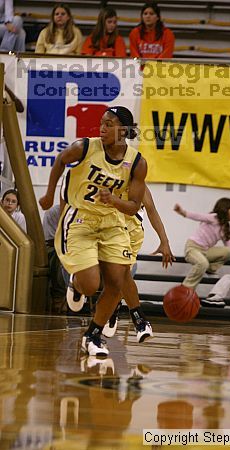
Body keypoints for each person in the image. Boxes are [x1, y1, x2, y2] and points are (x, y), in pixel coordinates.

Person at [39, 106, 149, 358]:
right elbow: (60, 161)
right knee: (91, 285)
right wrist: (48, 193)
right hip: (80, 219)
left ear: (123, 130)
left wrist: (113, 201)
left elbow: (133, 207)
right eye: (101, 123)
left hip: (111, 221)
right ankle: (77, 285)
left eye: (109, 124)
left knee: (118, 281)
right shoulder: (84, 147)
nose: (102, 128)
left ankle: (93, 335)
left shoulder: (137, 163)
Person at [101, 184, 175, 339]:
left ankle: (131, 315)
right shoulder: (105, 174)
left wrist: (164, 241)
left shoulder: (138, 183)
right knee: (110, 273)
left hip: (132, 232)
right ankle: (117, 307)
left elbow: (151, 210)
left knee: (122, 273)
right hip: (109, 226)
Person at [174, 198, 230, 292]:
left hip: (205, 251)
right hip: (192, 248)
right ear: (225, 210)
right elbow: (198, 216)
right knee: (202, 263)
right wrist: (183, 212)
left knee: (228, 251)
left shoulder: (225, 229)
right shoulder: (213, 218)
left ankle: (210, 269)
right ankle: (185, 289)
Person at [42, 204, 67, 314]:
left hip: (71, 246)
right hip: (52, 246)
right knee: (57, 257)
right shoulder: (52, 213)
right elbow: (51, 239)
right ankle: (58, 297)